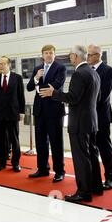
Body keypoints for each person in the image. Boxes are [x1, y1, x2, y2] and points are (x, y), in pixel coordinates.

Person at [40, 45, 103, 203]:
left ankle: (83, 192)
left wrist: (53, 93)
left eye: (70, 55)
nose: (69, 58)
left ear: (76, 56)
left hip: (80, 123)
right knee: (92, 155)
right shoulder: (94, 72)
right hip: (91, 121)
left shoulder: (79, 74)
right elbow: (98, 98)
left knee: (81, 158)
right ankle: (96, 186)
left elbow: (73, 97)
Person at [27, 45, 66, 182]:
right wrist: (36, 79)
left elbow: (57, 85)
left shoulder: (60, 68)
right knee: (41, 142)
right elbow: (29, 87)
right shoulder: (37, 68)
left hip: (54, 110)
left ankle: (59, 171)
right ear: (42, 55)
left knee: (56, 142)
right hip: (40, 111)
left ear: (55, 55)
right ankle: (42, 169)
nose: (49, 55)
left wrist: (40, 87)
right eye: (46, 53)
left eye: (51, 53)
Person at [0, 56, 25, 172]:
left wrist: (22, 111)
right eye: (0, 64)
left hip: (13, 113)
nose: (1, 66)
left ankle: (15, 163)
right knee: (1, 139)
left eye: (3, 64)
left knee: (14, 139)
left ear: (9, 65)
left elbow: (20, 96)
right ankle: (1, 163)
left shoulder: (17, 78)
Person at [87, 44, 112, 190]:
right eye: (87, 54)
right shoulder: (87, 70)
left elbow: (103, 96)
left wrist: (83, 101)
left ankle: (110, 177)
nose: (87, 57)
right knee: (92, 149)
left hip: (101, 116)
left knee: (104, 147)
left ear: (98, 55)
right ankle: (94, 178)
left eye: (90, 55)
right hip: (88, 116)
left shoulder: (108, 71)